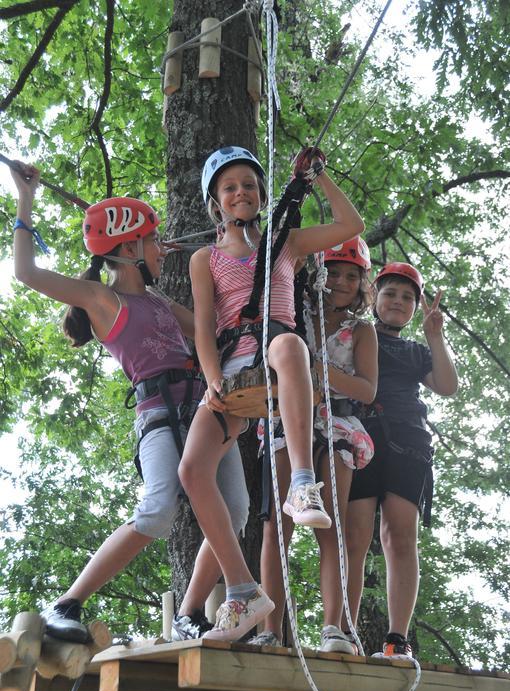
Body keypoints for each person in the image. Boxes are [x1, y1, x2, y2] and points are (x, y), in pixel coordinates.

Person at [10, 160, 250, 644]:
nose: (163, 250)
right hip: (159, 414)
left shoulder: (162, 303)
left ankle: (188, 613)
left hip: (206, 412)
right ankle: (66, 604)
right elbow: (25, 271)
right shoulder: (102, 298)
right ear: (129, 247)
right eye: (154, 241)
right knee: (158, 510)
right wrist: (25, 198)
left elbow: (216, 328)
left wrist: (237, 250)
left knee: (237, 512)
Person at [178, 146, 365, 642]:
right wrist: (214, 379)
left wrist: (318, 177)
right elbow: (202, 327)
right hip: (234, 366)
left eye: (249, 185)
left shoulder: (288, 243)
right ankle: (242, 590)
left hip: (279, 357)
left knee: (287, 342)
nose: (241, 192)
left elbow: (350, 224)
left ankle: (303, 481)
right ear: (216, 202)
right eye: (230, 187)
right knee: (192, 470)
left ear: (262, 195)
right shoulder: (206, 258)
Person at [249, 238, 378, 652]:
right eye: (334, 272)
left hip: (338, 423)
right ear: (319, 275)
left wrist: (318, 370)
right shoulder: (296, 315)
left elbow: (367, 388)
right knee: (276, 527)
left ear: (362, 284)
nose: (341, 281)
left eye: (351, 275)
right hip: (292, 420)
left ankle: (333, 627)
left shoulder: (361, 331)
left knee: (332, 526)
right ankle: (271, 628)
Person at [345, 262, 458, 659]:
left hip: (408, 441)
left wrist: (435, 335)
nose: (398, 301)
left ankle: (397, 639)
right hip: (360, 435)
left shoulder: (414, 352)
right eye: (390, 293)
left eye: (408, 297)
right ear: (373, 297)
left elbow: (447, 386)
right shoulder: (357, 335)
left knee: (399, 536)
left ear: (415, 307)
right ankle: (343, 630)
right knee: (355, 537)